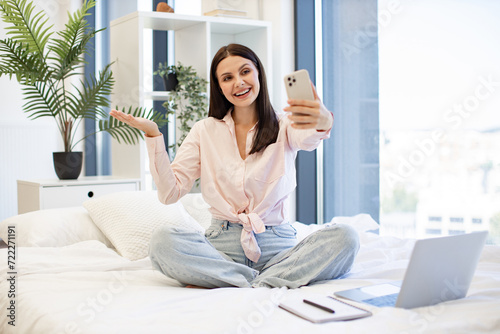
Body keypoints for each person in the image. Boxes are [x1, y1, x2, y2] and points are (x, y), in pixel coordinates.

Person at [110, 43, 359, 289]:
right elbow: (169, 193)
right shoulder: (204, 130)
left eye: (245, 71)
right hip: (221, 247)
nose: (238, 82)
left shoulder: (285, 125)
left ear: (258, 73)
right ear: (219, 87)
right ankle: (267, 282)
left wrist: (323, 121)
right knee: (162, 243)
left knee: (346, 238)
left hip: (278, 247)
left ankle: (235, 281)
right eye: (227, 77)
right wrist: (154, 135)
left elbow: (308, 139)